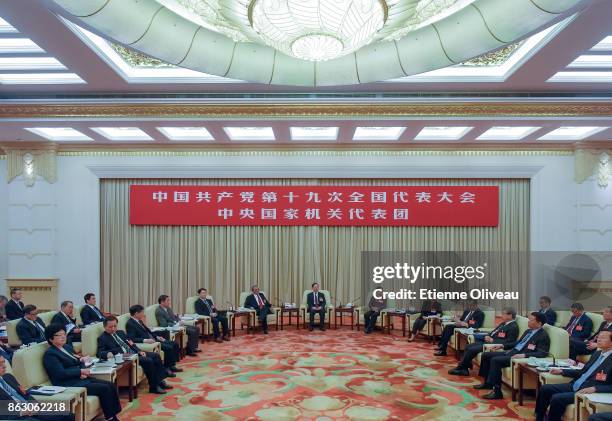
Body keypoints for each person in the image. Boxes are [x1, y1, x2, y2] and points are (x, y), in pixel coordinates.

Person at [43, 324, 122, 421]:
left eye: (64, 334)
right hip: (68, 384)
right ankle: (110, 418)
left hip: (80, 378)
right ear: (51, 339)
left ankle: (114, 414)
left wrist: (82, 371)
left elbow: (79, 361)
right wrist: (80, 371)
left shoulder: (67, 347)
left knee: (110, 385)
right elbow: (60, 373)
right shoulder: (50, 354)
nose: (63, 337)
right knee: (104, 388)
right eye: (59, 335)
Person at [535, 330, 612, 421]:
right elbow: (582, 371)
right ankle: (539, 417)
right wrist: (562, 371)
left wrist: (595, 388)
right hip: (576, 384)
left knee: (557, 398)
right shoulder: (597, 353)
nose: (598, 340)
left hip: (587, 391)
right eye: (598, 337)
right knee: (546, 388)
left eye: (603, 338)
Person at [475, 312, 550, 400]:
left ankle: (497, 391)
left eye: (531, 320)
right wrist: (503, 346)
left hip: (517, 357)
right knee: (486, 355)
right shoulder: (528, 331)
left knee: (495, 360)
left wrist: (524, 355)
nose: (528, 321)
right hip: (512, 351)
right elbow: (518, 343)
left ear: (539, 323)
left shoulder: (543, 336)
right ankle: (487, 383)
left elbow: (541, 353)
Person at [97, 316, 171, 394]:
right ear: (105, 327)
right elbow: (100, 353)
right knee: (148, 361)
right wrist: (108, 353)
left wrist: (139, 351)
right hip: (125, 358)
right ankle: (154, 387)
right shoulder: (102, 338)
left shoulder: (120, 333)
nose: (113, 329)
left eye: (115, 326)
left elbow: (131, 343)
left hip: (134, 353)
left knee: (155, 356)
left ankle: (160, 381)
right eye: (110, 327)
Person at [0, 354, 75, 421]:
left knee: (67, 414)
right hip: (16, 415)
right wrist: (21, 412)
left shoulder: (8, 377)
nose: (4, 366)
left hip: (32, 408)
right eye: (0, 364)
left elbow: (25, 395)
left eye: (3, 362)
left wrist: (35, 406)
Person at [449, 307, 520, 376]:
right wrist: (488, 336)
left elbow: (509, 341)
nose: (502, 315)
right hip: (489, 341)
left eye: (504, 314)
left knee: (471, 349)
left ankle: (461, 368)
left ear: (510, 315)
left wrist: (493, 340)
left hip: (494, 345)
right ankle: (464, 369)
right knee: (468, 346)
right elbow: (493, 332)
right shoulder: (504, 323)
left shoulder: (513, 327)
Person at [126, 304, 182, 372]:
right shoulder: (130, 324)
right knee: (168, 348)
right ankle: (167, 368)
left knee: (174, 344)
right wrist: (145, 340)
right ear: (136, 313)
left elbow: (148, 331)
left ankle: (172, 365)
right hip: (149, 342)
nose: (143, 314)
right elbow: (132, 338)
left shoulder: (139, 320)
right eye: (142, 312)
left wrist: (157, 336)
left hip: (153, 338)